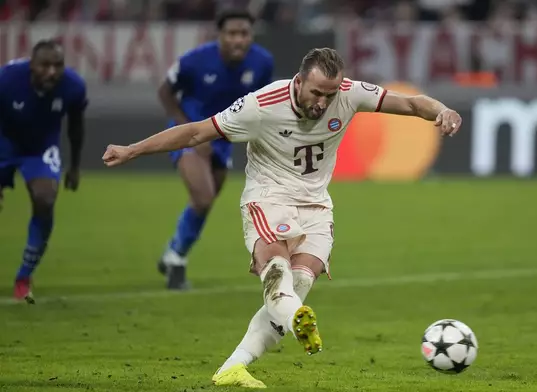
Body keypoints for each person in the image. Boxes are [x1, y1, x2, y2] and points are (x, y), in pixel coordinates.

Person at [102, 47, 462, 388]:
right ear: (300, 80)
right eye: (317, 93)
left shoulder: (349, 93)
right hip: (268, 198)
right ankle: (297, 320)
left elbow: (413, 103)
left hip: (317, 207)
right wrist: (132, 150)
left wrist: (442, 110)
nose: (323, 103)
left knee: (297, 287)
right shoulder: (261, 105)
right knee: (278, 273)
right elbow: (197, 131)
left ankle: (233, 367)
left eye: (330, 94)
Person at [157, 9, 274, 290]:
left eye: (244, 34)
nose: (238, 40)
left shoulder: (262, 62)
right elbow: (165, 91)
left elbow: (263, 102)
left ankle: (174, 251)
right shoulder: (195, 61)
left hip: (223, 138)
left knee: (204, 203)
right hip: (189, 133)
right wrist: (187, 129)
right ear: (219, 36)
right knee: (203, 196)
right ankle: (177, 262)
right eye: (232, 34)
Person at [0, 39, 87, 304]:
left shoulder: (73, 87)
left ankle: (24, 276)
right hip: (3, 141)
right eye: (45, 65)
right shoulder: (7, 78)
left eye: (57, 65)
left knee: (45, 199)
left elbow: (75, 127)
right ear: (31, 66)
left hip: (40, 147)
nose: (52, 71)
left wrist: (74, 166)